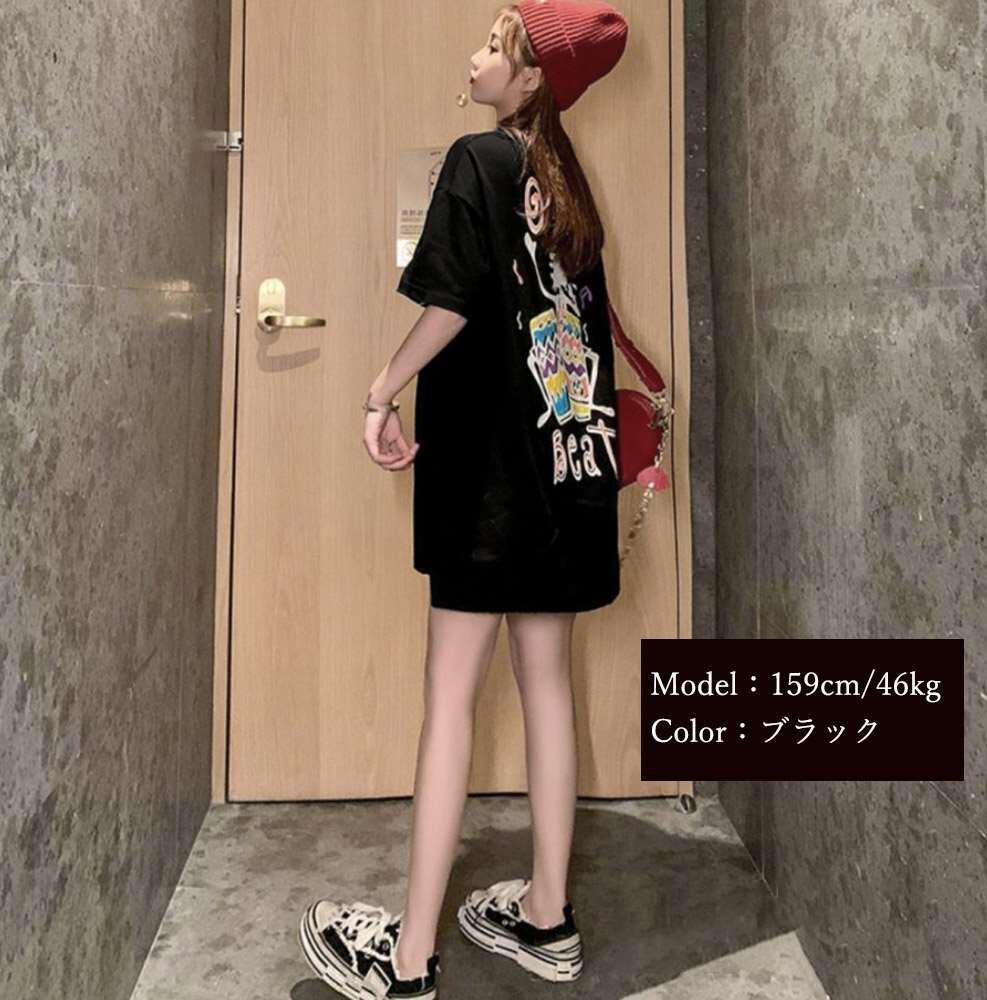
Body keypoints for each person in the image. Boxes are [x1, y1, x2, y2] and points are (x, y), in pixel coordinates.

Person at [299, 3, 628, 997]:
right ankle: (547, 917)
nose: (474, 57)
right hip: (568, 473)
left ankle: (406, 961)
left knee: (449, 700)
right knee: (549, 689)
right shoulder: (567, 188)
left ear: (528, 82)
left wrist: (379, 389)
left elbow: (450, 302)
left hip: (490, 484)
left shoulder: (479, 160)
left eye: (495, 46)